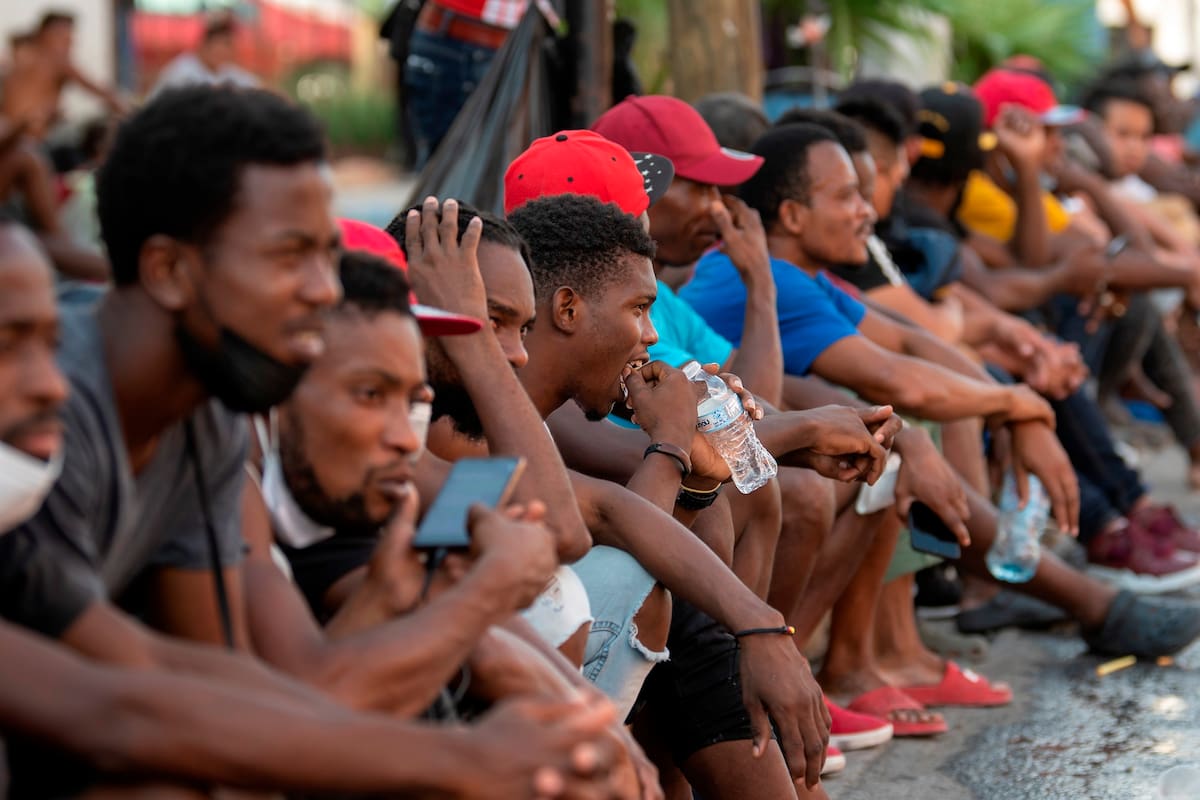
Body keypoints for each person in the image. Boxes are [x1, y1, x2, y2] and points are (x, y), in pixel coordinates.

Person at [0, 214, 626, 799]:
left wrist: (588, 721)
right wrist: (471, 714)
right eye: (370, 391)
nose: (401, 431)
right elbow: (137, 708)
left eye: (412, 396)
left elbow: (187, 684)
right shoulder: (226, 452)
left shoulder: (357, 465)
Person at [681, 120, 1200, 661]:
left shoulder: (803, 273)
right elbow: (895, 378)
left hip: (766, 443)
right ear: (792, 216)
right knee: (890, 434)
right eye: (848, 196)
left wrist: (1020, 411)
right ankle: (1066, 603)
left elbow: (912, 340)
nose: (867, 211)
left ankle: (1068, 596)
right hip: (737, 465)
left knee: (920, 419)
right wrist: (1019, 403)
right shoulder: (766, 276)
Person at [0, 10, 127, 142]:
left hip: (9, 136)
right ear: (45, 34)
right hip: (31, 137)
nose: (70, 41)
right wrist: (129, 112)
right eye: (64, 36)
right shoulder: (56, 60)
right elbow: (101, 92)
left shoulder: (20, 58)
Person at [149, 12, 259, 97]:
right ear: (205, 44)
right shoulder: (182, 70)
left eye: (228, 45)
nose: (224, 51)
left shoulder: (228, 71)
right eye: (219, 45)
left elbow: (254, 87)